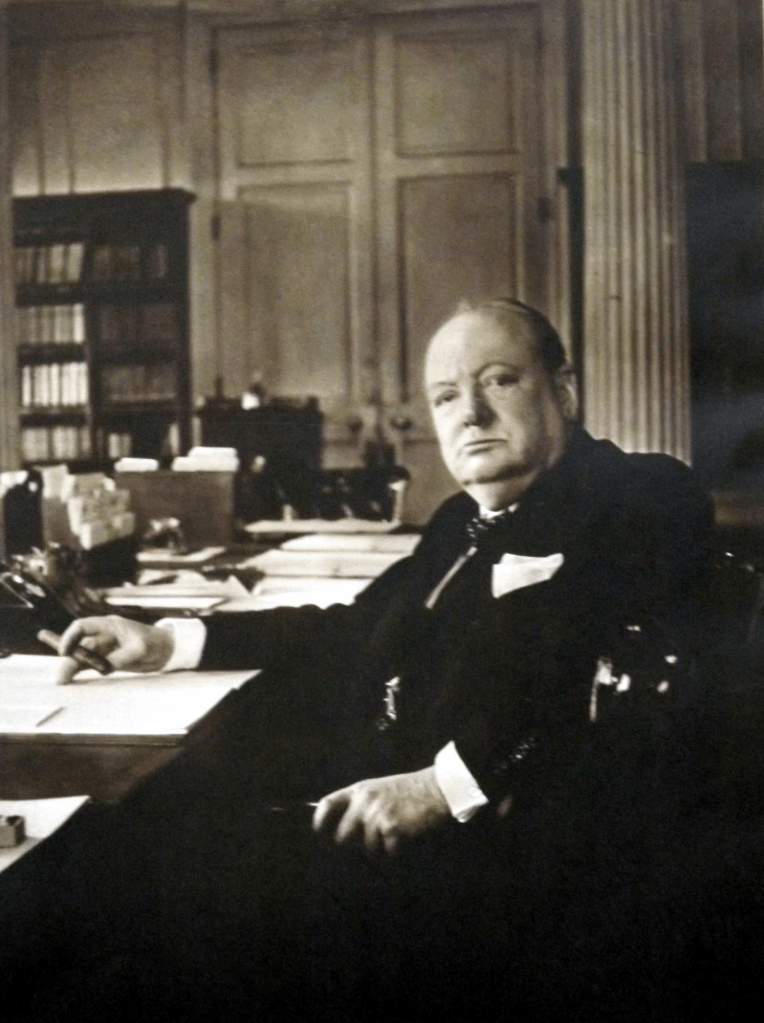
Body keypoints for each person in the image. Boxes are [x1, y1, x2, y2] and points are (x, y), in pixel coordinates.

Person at [4, 299, 717, 1021]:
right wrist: (168, 640)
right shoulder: (459, 520)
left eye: (499, 380)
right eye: (446, 396)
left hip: (473, 873)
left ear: (562, 392)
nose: (470, 414)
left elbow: (581, 672)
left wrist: (440, 786)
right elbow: (353, 629)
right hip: (366, 801)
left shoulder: (640, 492)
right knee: (112, 831)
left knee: (103, 878)